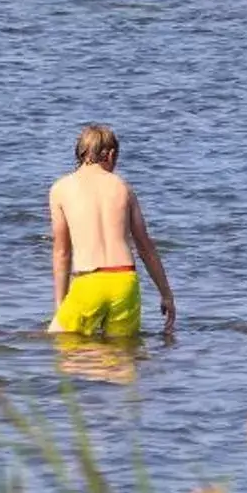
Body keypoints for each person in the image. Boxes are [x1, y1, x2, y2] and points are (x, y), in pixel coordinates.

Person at [46, 125, 176, 341]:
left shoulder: (61, 189)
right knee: (121, 358)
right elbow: (145, 247)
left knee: (62, 349)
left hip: (89, 281)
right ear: (112, 154)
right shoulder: (123, 187)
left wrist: (61, 304)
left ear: (80, 153)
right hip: (124, 281)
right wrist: (166, 294)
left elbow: (62, 253)